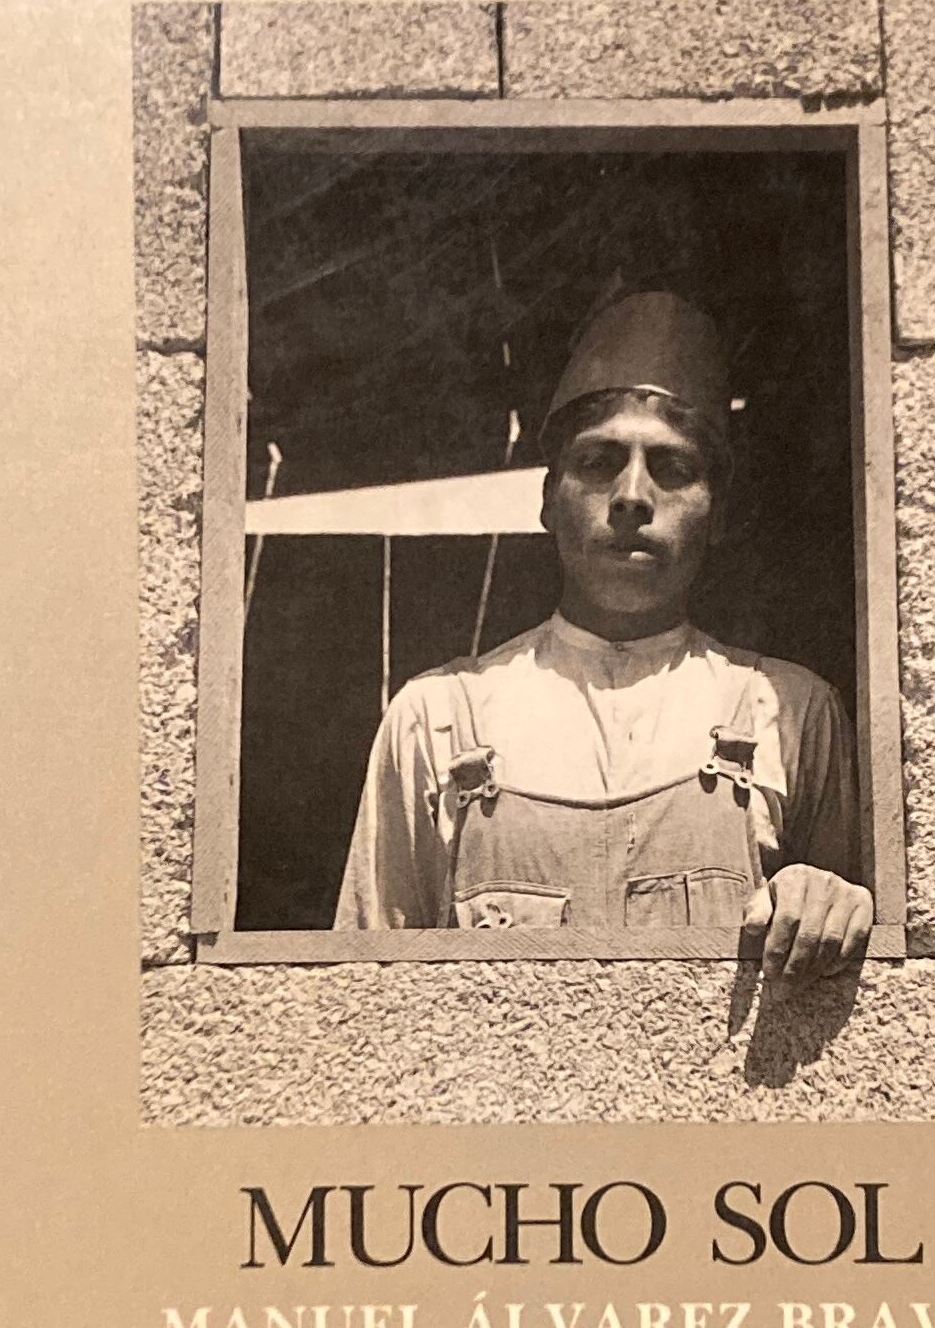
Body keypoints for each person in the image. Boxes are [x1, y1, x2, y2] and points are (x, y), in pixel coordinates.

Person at [334, 288, 878, 977]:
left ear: (719, 512)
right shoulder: (435, 717)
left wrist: (834, 901)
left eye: (673, 468)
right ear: (548, 498)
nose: (632, 496)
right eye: (598, 462)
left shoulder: (793, 710)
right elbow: (364, 990)